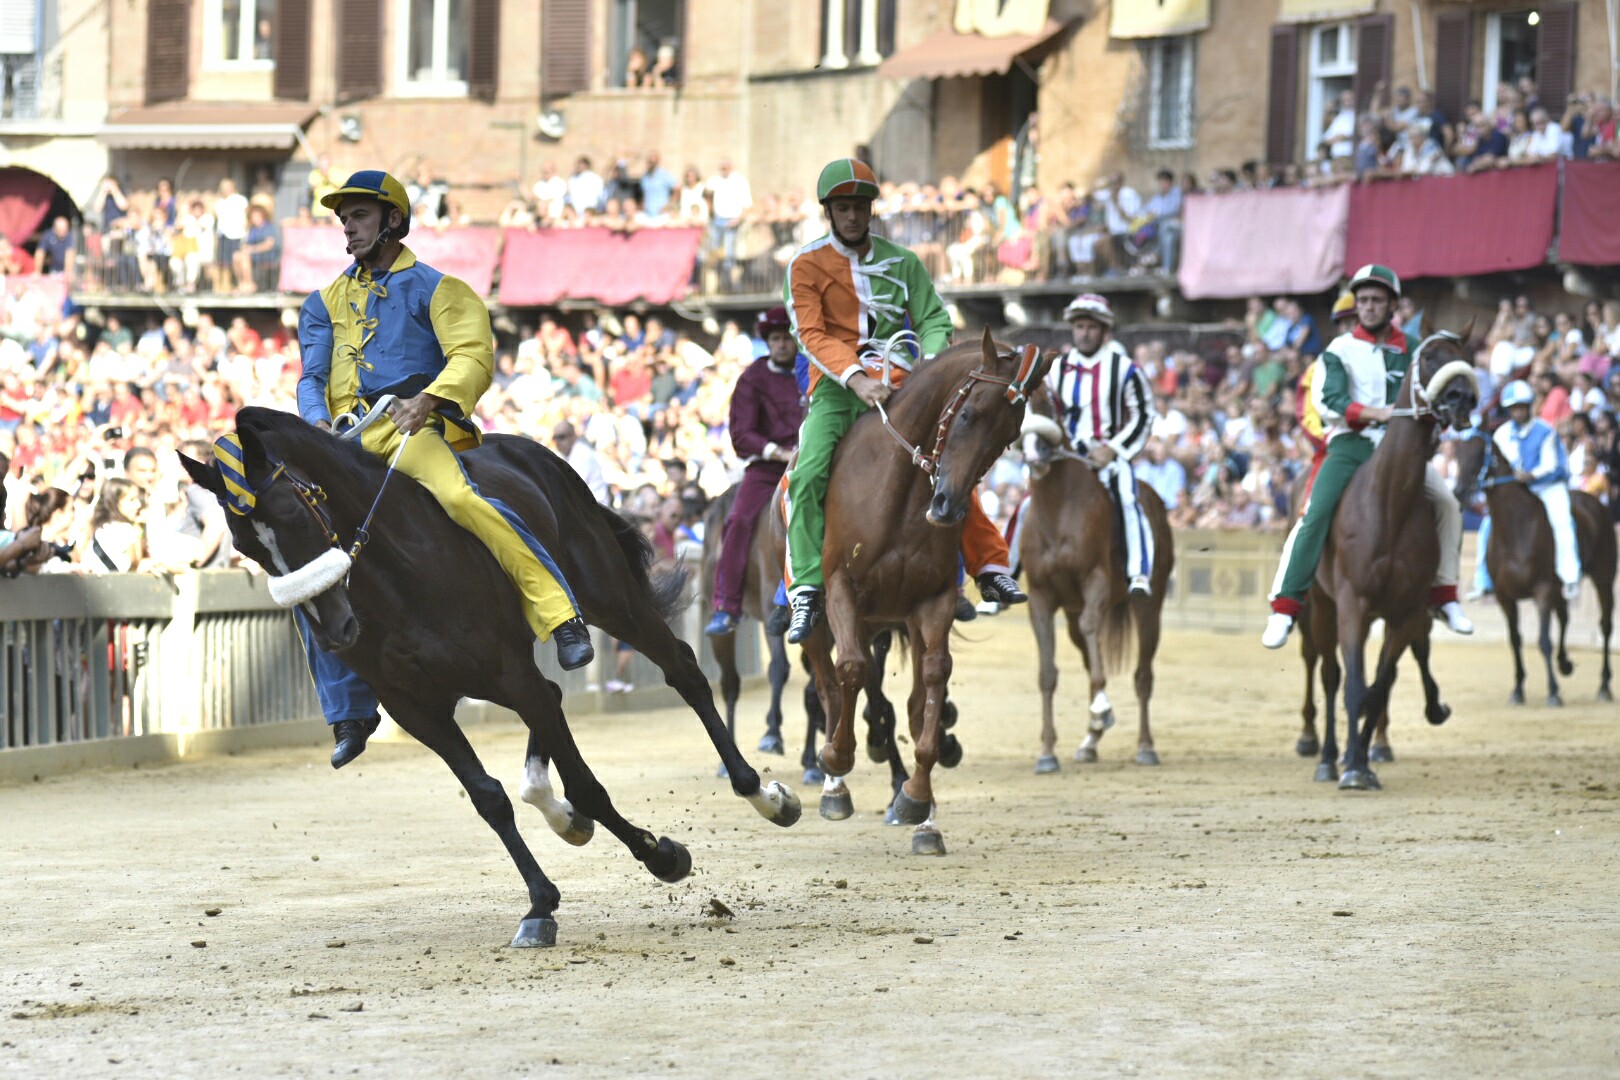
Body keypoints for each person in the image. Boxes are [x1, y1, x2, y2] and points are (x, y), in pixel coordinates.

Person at [294, 169, 595, 768]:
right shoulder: (321, 302)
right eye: (343, 218)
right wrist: (317, 423)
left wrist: (426, 401)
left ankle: (560, 616)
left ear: (392, 222)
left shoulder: (440, 289)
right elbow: (312, 377)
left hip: (413, 431)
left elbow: (473, 357)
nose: (347, 228)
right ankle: (348, 711)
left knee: (462, 500)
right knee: (308, 552)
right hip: (346, 443)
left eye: (358, 216)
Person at [781, 157, 1024, 643]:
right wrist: (854, 377)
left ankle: (989, 566)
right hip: (837, 389)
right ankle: (806, 587)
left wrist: (928, 368)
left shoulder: (905, 261)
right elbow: (809, 332)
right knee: (805, 473)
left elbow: (933, 317)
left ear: (873, 211)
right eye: (844, 207)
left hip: (902, 383)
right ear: (829, 212)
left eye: (861, 207)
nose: (853, 216)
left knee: (949, 463)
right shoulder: (805, 265)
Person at [1262, 264, 1472, 649]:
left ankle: (1445, 596)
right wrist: (1377, 414)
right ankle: (1286, 605)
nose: (1369, 307)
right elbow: (1328, 401)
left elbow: (1432, 391)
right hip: (1349, 445)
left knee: (1447, 504)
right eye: (1363, 301)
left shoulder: (1413, 349)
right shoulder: (1338, 349)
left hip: (1401, 451)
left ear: (1392, 304)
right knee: (1315, 512)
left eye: (1377, 300)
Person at [1017, 294, 1156, 595]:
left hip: (1107, 457)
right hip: (1063, 456)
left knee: (1128, 497)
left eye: (1091, 327)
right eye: (1079, 326)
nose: (1084, 332)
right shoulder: (1056, 369)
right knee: (1029, 501)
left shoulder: (1125, 369)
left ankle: (1138, 573)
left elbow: (1144, 415)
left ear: (1104, 330)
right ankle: (1005, 573)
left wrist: (1114, 449)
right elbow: (1040, 407)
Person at [705, 307, 805, 636]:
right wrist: (779, 452)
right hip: (767, 469)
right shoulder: (752, 378)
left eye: (787, 338)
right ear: (768, 342)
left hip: (811, 461)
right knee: (738, 521)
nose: (782, 345)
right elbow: (741, 435)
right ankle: (727, 606)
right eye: (776, 339)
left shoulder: (811, 372)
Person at [1493, 380, 1582, 600]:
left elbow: (1551, 465)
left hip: (1548, 486)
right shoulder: (1501, 434)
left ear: (1530, 406)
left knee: (1562, 521)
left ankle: (1570, 577)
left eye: (1522, 406)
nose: (1518, 411)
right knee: (1490, 522)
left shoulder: (1545, 430)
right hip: (1517, 491)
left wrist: (1530, 474)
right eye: (1514, 407)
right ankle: (1484, 579)